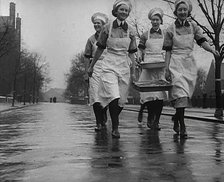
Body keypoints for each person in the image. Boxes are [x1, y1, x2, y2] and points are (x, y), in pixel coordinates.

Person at [163, 0, 220, 137]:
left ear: (188, 12)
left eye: (185, 10)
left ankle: (177, 118)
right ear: (176, 12)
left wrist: (211, 49)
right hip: (175, 63)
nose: (182, 12)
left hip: (189, 64)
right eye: (180, 10)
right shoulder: (170, 29)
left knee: (184, 95)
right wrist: (166, 68)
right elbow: (168, 51)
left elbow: (201, 41)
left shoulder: (193, 26)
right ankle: (182, 125)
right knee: (179, 94)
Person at [88, 0, 137, 138]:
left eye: (126, 11)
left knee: (121, 101)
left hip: (124, 65)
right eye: (121, 9)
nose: (124, 12)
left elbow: (132, 53)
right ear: (116, 11)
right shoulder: (107, 28)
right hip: (109, 64)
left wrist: (133, 72)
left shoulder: (131, 31)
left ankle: (111, 114)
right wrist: (91, 66)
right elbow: (100, 49)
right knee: (114, 96)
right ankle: (115, 127)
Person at [137, 8, 167, 130]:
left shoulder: (165, 34)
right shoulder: (145, 34)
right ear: (151, 21)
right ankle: (150, 117)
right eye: (153, 20)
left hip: (161, 65)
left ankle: (157, 120)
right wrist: (139, 56)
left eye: (157, 20)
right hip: (148, 64)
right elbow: (140, 49)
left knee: (160, 94)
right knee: (149, 94)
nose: (155, 22)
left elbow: (169, 49)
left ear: (161, 21)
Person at [84, 12, 108, 131]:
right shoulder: (91, 39)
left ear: (104, 24)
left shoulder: (109, 37)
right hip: (95, 67)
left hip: (108, 67)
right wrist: (87, 70)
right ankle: (98, 121)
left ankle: (104, 115)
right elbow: (87, 56)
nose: (96, 25)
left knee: (107, 94)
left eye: (99, 23)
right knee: (95, 94)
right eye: (95, 23)